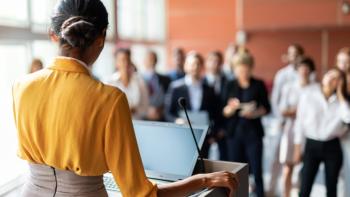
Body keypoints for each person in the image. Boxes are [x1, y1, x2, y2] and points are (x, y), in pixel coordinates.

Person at [12, 1, 238, 196]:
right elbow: (140, 195)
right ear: (101, 39)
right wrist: (203, 180)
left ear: (53, 35)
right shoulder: (109, 99)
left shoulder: (20, 86)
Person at [293, 68, 350, 197]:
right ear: (324, 76)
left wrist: (341, 95)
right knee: (305, 186)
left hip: (332, 145)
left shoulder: (342, 102)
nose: (331, 79)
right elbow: (299, 122)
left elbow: (348, 117)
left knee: (331, 187)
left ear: (340, 84)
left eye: (336, 78)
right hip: (311, 144)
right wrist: (297, 147)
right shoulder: (308, 94)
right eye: (329, 74)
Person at [223, 51, 271, 197]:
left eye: (246, 69)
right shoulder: (230, 84)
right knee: (235, 172)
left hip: (253, 133)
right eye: (239, 69)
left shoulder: (258, 84)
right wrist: (232, 108)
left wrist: (254, 113)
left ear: (251, 68)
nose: (243, 72)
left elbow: (266, 108)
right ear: (235, 69)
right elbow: (224, 112)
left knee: (257, 170)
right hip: (234, 133)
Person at [164, 51, 218, 158]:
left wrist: (213, 135)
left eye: (198, 64)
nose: (195, 67)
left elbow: (215, 113)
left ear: (202, 67)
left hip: (203, 137)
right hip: (183, 136)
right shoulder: (175, 88)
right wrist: (177, 120)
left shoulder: (209, 89)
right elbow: (167, 112)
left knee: (203, 169)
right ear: (185, 66)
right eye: (192, 64)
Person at [268, 43, 305, 195]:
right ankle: (271, 189)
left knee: (298, 158)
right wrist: (281, 117)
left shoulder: (306, 74)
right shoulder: (282, 74)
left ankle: (294, 190)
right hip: (283, 122)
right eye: (291, 53)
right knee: (276, 157)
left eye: (296, 54)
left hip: (300, 122)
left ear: (301, 56)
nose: (293, 57)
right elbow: (275, 100)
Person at [278, 57, 316, 197]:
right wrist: (298, 111)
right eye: (301, 67)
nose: (304, 71)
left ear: (311, 70)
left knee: (305, 168)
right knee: (288, 166)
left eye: (307, 68)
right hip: (291, 129)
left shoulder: (315, 88)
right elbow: (282, 109)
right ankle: (286, 194)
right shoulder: (289, 87)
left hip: (309, 130)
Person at [104, 48, 149, 119]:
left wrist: (135, 110)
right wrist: (124, 110)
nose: (126, 63)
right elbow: (105, 107)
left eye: (128, 59)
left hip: (137, 123)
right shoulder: (109, 82)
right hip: (116, 121)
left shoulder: (140, 81)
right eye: (122, 60)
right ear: (116, 63)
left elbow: (145, 108)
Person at [203, 50, 229, 161]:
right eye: (212, 61)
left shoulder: (228, 82)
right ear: (206, 63)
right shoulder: (201, 82)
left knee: (225, 161)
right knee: (204, 162)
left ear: (222, 63)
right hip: (205, 129)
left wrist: (222, 129)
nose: (215, 64)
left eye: (218, 61)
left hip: (223, 129)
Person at [335, 47, 350, 197]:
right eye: (340, 61)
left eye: (346, 62)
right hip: (336, 133)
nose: (342, 65)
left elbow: (347, 116)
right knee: (338, 172)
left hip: (347, 134)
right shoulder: (336, 80)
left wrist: (340, 94)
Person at [142, 50, 171, 121]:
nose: (152, 62)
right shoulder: (138, 79)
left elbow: (169, 98)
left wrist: (160, 110)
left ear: (157, 61)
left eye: (154, 59)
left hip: (160, 118)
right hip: (143, 118)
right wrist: (147, 110)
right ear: (144, 61)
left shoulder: (166, 79)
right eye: (149, 59)